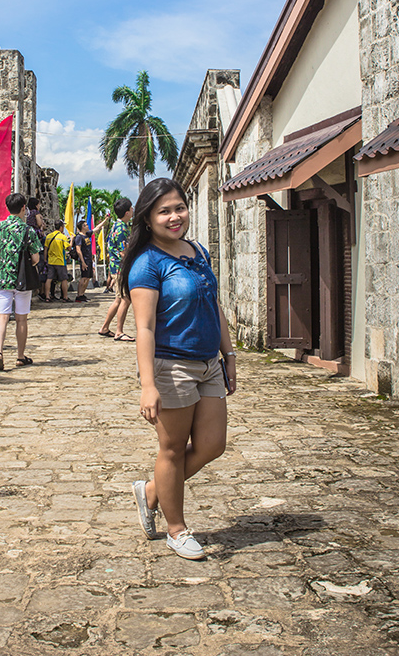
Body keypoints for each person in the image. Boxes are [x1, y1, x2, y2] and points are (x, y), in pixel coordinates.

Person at [120, 178, 237, 561]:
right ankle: (176, 529)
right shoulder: (147, 264)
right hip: (171, 367)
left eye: (179, 208)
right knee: (171, 449)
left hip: (208, 365)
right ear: (148, 218)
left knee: (212, 445)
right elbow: (144, 327)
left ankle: (153, 491)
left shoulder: (197, 251)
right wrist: (148, 384)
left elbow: (213, 306)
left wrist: (229, 356)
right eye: (164, 211)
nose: (174, 217)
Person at [0, 192, 42, 370]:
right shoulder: (28, 230)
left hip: (1, 278)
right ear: (23, 208)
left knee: (1, 317)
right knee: (21, 319)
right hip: (22, 279)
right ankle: (20, 356)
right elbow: (35, 258)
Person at [98, 197, 134, 341]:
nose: (133, 210)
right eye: (131, 208)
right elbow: (123, 252)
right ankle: (119, 331)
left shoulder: (116, 226)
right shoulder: (121, 229)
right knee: (125, 298)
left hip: (115, 267)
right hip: (120, 268)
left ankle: (105, 327)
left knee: (119, 299)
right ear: (126, 212)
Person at [74, 214, 109, 302]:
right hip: (84, 260)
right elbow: (78, 250)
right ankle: (79, 296)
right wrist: (82, 262)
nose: (88, 226)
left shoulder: (87, 235)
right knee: (84, 277)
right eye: (86, 225)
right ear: (82, 227)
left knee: (88, 277)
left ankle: (82, 294)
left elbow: (96, 228)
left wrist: (105, 220)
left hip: (89, 259)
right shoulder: (79, 237)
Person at [44, 220, 72, 303]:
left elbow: (45, 249)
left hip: (51, 261)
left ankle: (47, 296)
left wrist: (45, 259)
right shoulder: (63, 237)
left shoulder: (48, 236)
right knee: (64, 279)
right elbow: (69, 248)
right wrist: (72, 240)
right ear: (61, 227)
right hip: (60, 261)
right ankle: (65, 297)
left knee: (49, 279)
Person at [27, 197, 47, 299]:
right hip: (36, 235)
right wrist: (42, 224)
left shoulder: (28, 213)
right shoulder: (35, 212)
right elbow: (39, 224)